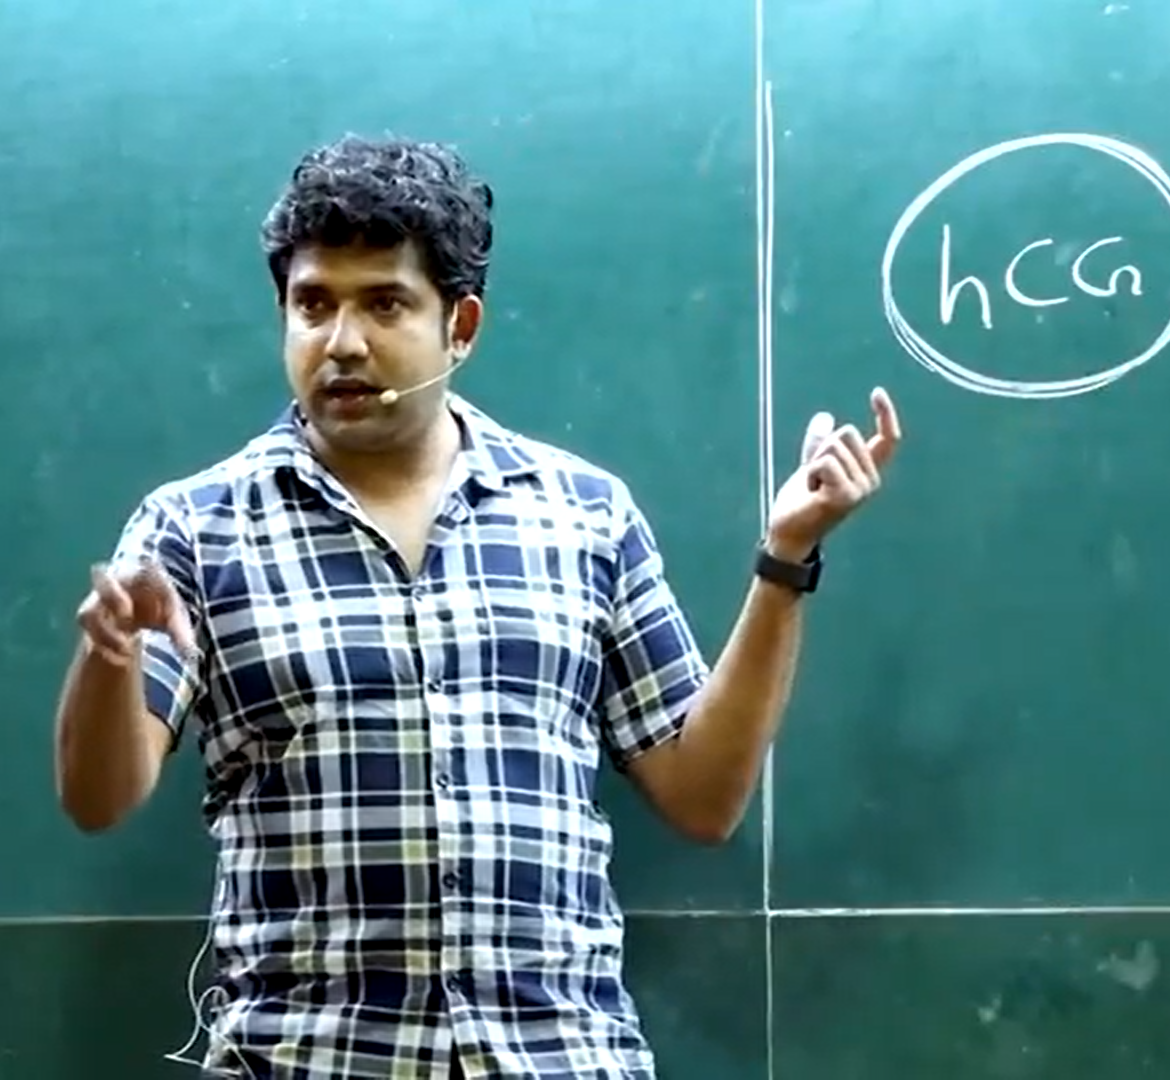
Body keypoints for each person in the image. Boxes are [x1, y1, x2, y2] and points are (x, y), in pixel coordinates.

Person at [51, 134, 902, 1080]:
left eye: (384, 304)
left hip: (558, 1056)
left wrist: (786, 559)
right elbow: (99, 797)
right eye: (313, 305)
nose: (342, 342)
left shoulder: (583, 515)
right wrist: (108, 660)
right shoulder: (196, 528)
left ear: (460, 326)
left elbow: (703, 796)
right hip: (312, 1058)